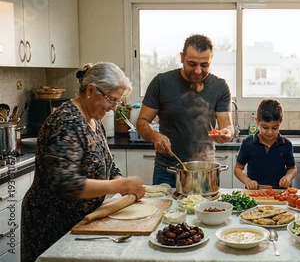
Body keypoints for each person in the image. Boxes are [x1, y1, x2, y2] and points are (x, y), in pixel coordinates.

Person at [21, 63, 146, 262]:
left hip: (82, 221)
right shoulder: (66, 122)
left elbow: (107, 162)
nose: (114, 107)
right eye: (112, 100)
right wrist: (119, 185)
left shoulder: (94, 119)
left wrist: (121, 182)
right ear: (90, 91)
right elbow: (66, 184)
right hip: (53, 223)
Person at [137, 34, 234, 187]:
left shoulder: (220, 87)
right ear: (182, 57)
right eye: (192, 63)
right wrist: (155, 136)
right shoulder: (161, 83)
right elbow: (142, 122)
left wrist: (227, 133)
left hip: (205, 170)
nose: (197, 71)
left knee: (206, 209)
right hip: (168, 170)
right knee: (164, 210)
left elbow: (227, 126)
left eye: (204, 65)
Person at [234, 98, 297, 189]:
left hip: (279, 193)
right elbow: (238, 169)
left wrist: (288, 177)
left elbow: (292, 168)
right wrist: (248, 181)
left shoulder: (286, 144)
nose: (270, 132)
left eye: (275, 128)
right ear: (257, 121)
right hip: (254, 192)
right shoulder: (248, 143)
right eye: (265, 127)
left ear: (280, 122)